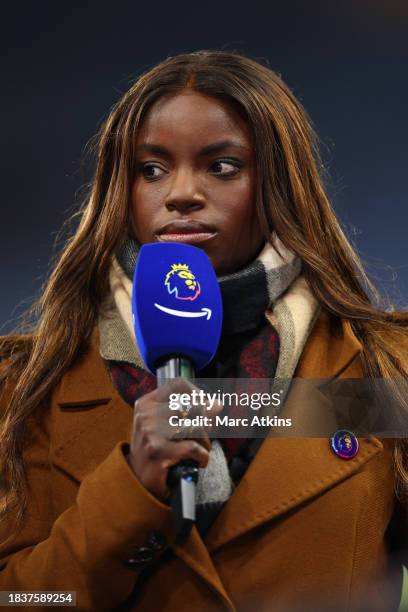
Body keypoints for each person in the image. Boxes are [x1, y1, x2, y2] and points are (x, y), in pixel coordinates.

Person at [0, 50, 407, 612]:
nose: (181, 192)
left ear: (279, 184)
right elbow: (19, 601)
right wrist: (130, 495)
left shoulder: (385, 369)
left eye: (221, 166)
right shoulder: (27, 388)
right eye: (152, 169)